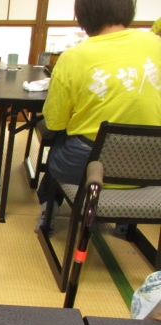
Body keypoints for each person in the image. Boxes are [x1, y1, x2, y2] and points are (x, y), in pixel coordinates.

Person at [34, 0, 161, 235]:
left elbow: (55, 121)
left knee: (58, 138)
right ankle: (126, 222)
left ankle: (48, 208)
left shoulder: (73, 57)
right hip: (151, 166)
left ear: (82, 17)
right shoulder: (156, 44)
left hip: (91, 169)